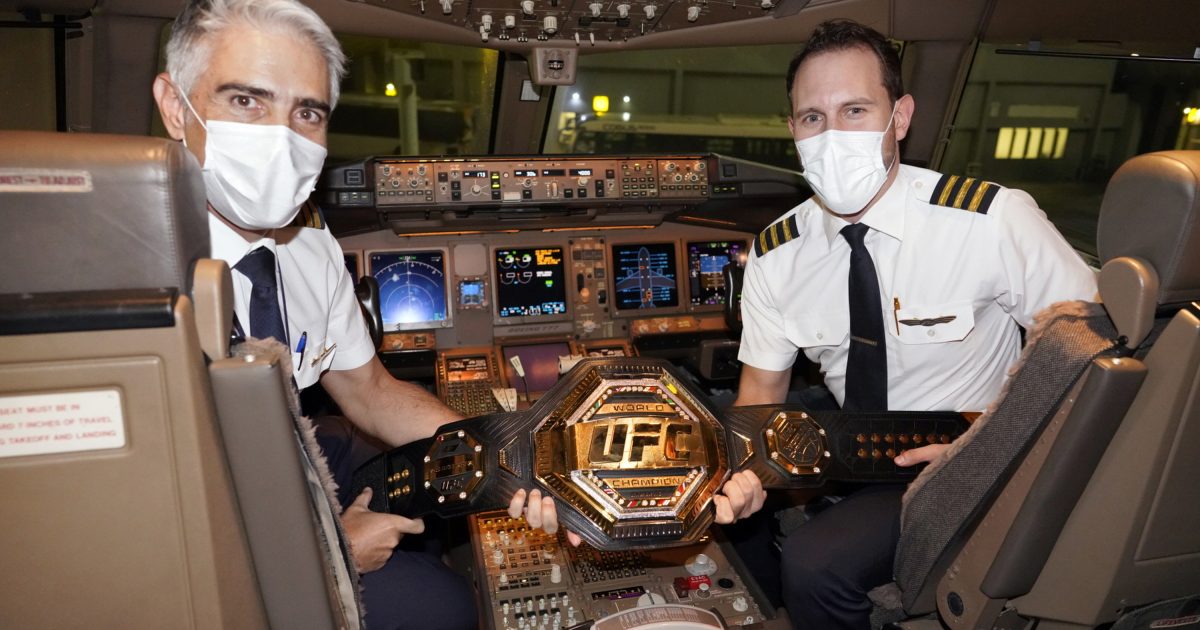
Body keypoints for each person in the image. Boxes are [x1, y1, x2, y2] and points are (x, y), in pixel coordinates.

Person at [150, 1, 555, 628]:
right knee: (445, 608)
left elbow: (371, 392)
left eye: (306, 113)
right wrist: (331, 552)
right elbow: (147, 518)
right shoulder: (131, 279)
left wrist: (511, 462)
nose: (281, 138)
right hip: (194, 525)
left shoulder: (309, 247)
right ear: (177, 107)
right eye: (247, 100)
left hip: (286, 459)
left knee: (408, 476)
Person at [711, 19, 1098, 630]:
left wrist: (993, 446)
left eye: (855, 110)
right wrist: (746, 478)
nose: (831, 135)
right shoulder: (776, 252)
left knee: (814, 565)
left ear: (900, 117)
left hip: (967, 456)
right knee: (724, 488)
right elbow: (761, 394)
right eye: (812, 117)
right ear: (792, 131)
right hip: (852, 445)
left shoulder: (990, 220)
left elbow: (1094, 354)